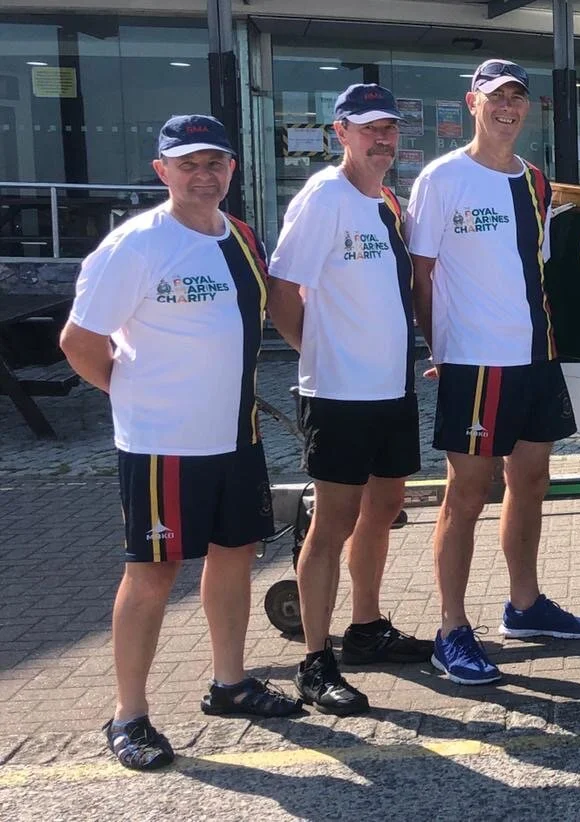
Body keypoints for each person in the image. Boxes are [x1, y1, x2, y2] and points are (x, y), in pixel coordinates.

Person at [60, 114, 303, 771]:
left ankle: (231, 684)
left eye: (214, 163)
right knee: (153, 574)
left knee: (236, 556)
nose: (203, 175)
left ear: (231, 169)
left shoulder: (242, 237)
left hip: (236, 437)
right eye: (188, 164)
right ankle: (129, 715)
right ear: (161, 171)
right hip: (162, 446)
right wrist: (134, 395)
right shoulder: (136, 245)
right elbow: (78, 343)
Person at [407, 59, 580, 685]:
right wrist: (439, 349)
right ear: (473, 104)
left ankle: (525, 604)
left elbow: (536, 270)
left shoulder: (535, 181)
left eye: (517, 98)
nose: (507, 108)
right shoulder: (442, 178)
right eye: (496, 98)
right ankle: (451, 630)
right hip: (475, 362)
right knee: (465, 495)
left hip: (535, 356)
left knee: (531, 481)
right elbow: (421, 275)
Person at [266, 83, 433, 716]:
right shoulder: (324, 197)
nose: (381, 139)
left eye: (388, 128)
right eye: (368, 129)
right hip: (339, 392)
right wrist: (317, 352)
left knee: (384, 507)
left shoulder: (386, 201)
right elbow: (282, 290)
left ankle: (366, 628)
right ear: (341, 133)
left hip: (391, 386)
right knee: (332, 523)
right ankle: (315, 660)